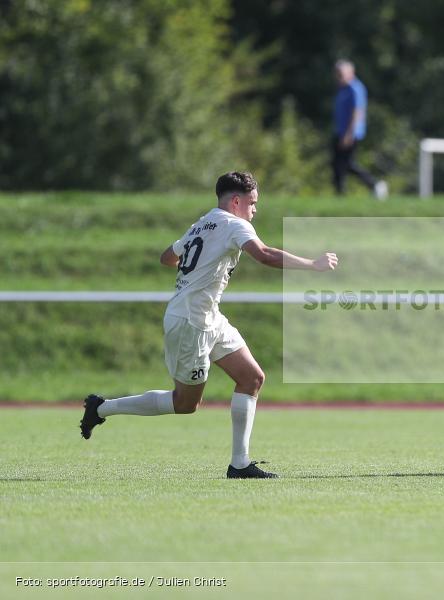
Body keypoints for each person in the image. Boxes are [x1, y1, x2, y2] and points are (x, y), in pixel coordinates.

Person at [79, 172, 339, 479]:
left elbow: (167, 258)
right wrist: (312, 265)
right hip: (191, 322)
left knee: (252, 377)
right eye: (252, 203)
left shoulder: (203, 222)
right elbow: (265, 255)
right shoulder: (235, 224)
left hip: (208, 316)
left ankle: (239, 464)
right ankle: (101, 408)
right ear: (237, 201)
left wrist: (194, 260)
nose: (255, 210)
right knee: (186, 403)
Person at [331, 59, 388, 200]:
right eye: (337, 74)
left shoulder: (355, 88)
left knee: (347, 164)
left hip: (350, 134)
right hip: (340, 132)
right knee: (338, 164)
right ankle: (340, 193)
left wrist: (349, 134)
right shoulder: (343, 89)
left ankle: (375, 184)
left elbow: (357, 112)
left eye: (341, 73)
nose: (339, 76)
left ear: (351, 72)